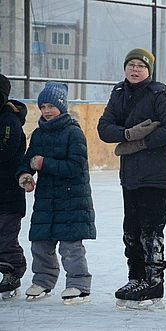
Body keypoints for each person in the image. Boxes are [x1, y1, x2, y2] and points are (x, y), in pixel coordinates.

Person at [97, 48, 166, 309]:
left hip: (155, 176)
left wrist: (144, 142)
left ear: (149, 70)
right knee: (131, 232)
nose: (135, 70)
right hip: (130, 175)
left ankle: (154, 282)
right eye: (131, 65)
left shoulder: (158, 93)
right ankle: (135, 278)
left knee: (151, 232)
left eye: (140, 66)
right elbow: (104, 128)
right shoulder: (119, 93)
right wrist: (127, 135)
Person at [17, 82, 96, 303]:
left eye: (51, 105)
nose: (46, 110)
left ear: (62, 106)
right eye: (42, 106)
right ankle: (43, 280)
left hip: (72, 199)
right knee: (40, 243)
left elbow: (75, 167)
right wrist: (25, 175)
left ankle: (78, 284)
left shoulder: (74, 133)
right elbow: (28, 160)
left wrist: (44, 164)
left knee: (71, 246)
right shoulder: (39, 134)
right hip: (45, 199)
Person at [0, 74, 28, 299]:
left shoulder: (10, 120)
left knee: (6, 236)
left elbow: (6, 152)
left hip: (8, 192)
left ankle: (13, 271)